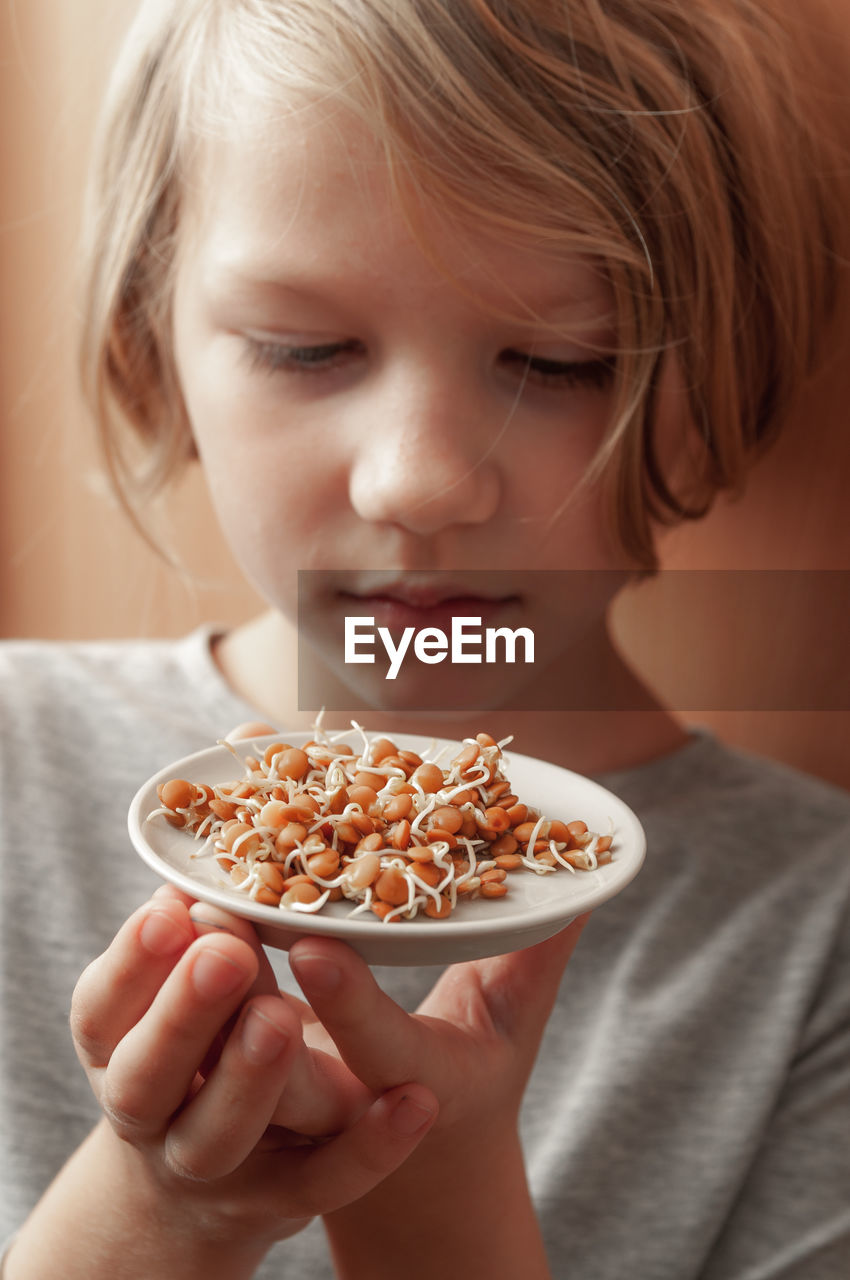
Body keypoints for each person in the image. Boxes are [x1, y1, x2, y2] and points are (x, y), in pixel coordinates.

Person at [1, 0, 849, 1276]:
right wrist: (163, 1208)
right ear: (148, 336)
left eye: (561, 361)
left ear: (733, 379)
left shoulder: (813, 942)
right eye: (307, 348)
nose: (420, 483)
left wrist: (429, 1186)